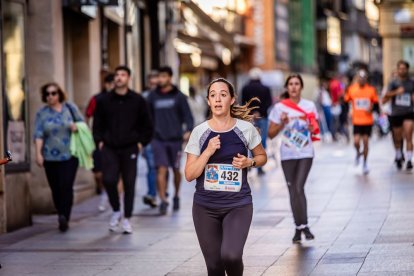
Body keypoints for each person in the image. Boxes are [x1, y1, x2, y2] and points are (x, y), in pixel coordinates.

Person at [184, 78, 267, 276]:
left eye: (223, 94)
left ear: (232, 99)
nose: (218, 99)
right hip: (205, 207)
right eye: (213, 95)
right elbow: (189, 174)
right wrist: (208, 152)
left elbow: (262, 156)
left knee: (231, 256)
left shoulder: (245, 129)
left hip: (238, 204)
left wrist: (250, 162)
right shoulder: (200, 132)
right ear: (208, 101)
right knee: (214, 267)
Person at [93, 66, 153, 234]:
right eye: (117, 75)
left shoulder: (138, 100)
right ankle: (116, 209)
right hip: (109, 146)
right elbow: (97, 123)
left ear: (129, 78)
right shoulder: (104, 100)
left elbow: (147, 125)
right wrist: (99, 141)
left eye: (123, 75)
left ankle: (126, 218)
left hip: (130, 147)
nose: (119, 77)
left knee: (129, 182)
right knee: (109, 179)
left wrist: (141, 143)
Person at [268, 74, 318, 243]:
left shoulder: (309, 105)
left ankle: (305, 225)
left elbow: (315, 130)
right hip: (287, 154)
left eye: (297, 84)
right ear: (287, 87)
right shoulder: (280, 107)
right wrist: (282, 123)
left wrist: (312, 128)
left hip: (305, 152)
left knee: (298, 187)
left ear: (301, 87)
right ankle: (299, 228)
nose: (294, 87)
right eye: (291, 84)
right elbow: (271, 134)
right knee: (292, 190)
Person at [34, 82, 83, 232]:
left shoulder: (70, 108)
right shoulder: (41, 113)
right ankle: (61, 212)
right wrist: (38, 154)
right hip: (50, 157)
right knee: (55, 188)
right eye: (47, 94)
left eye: (54, 93)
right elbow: (38, 135)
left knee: (66, 186)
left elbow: (82, 123)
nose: (50, 96)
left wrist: (76, 127)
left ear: (59, 94)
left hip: (70, 155)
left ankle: (64, 216)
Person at [147, 66, 194, 215]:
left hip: (175, 139)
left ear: (170, 77)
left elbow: (188, 116)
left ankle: (176, 196)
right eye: (159, 76)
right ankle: (163, 200)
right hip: (158, 139)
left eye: (164, 76)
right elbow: (147, 117)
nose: (161, 79)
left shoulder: (179, 96)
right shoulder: (152, 96)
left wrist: (188, 131)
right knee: (161, 169)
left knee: (175, 170)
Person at [85, 73, 115, 211]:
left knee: (114, 171)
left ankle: (111, 197)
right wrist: (88, 135)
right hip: (97, 140)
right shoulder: (96, 99)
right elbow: (88, 116)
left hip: (115, 141)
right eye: (110, 84)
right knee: (98, 173)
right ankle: (103, 191)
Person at [344, 70, 379, 174]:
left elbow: (376, 104)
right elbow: (346, 102)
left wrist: (371, 109)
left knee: (366, 142)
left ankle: (365, 162)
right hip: (356, 120)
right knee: (356, 141)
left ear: (366, 79)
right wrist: (348, 112)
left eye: (364, 78)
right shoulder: (352, 89)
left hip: (368, 121)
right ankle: (358, 154)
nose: (362, 79)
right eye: (360, 77)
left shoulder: (371, 90)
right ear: (357, 78)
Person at [382, 60, 414, 170]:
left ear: (407, 69)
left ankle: (409, 160)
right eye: (400, 68)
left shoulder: (411, 82)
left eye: (404, 68)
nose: (402, 70)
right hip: (396, 113)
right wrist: (396, 92)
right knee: (397, 138)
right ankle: (398, 155)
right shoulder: (393, 83)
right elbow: (385, 97)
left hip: (409, 112)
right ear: (398, 69)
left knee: (409, 136)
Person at [241, 68, 272, 175]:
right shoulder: (266, 88)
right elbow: (269, 103)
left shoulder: (245, 88)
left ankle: (248, 164)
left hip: (249, 118)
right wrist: (259, 112)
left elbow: (243, 103)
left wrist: (252, 112)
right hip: (263, 117)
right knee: (261, 141)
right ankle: (259, 166)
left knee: (249, 141)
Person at [141, 71, 159, 208]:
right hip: (149, 138)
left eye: (156, 82)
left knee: (163, 167)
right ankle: (152, 194)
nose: (153, 85)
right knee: (152, 167)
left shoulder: (165, 97)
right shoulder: (143, 97)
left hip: (164, 138)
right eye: (151, 83)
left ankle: (162, 193)